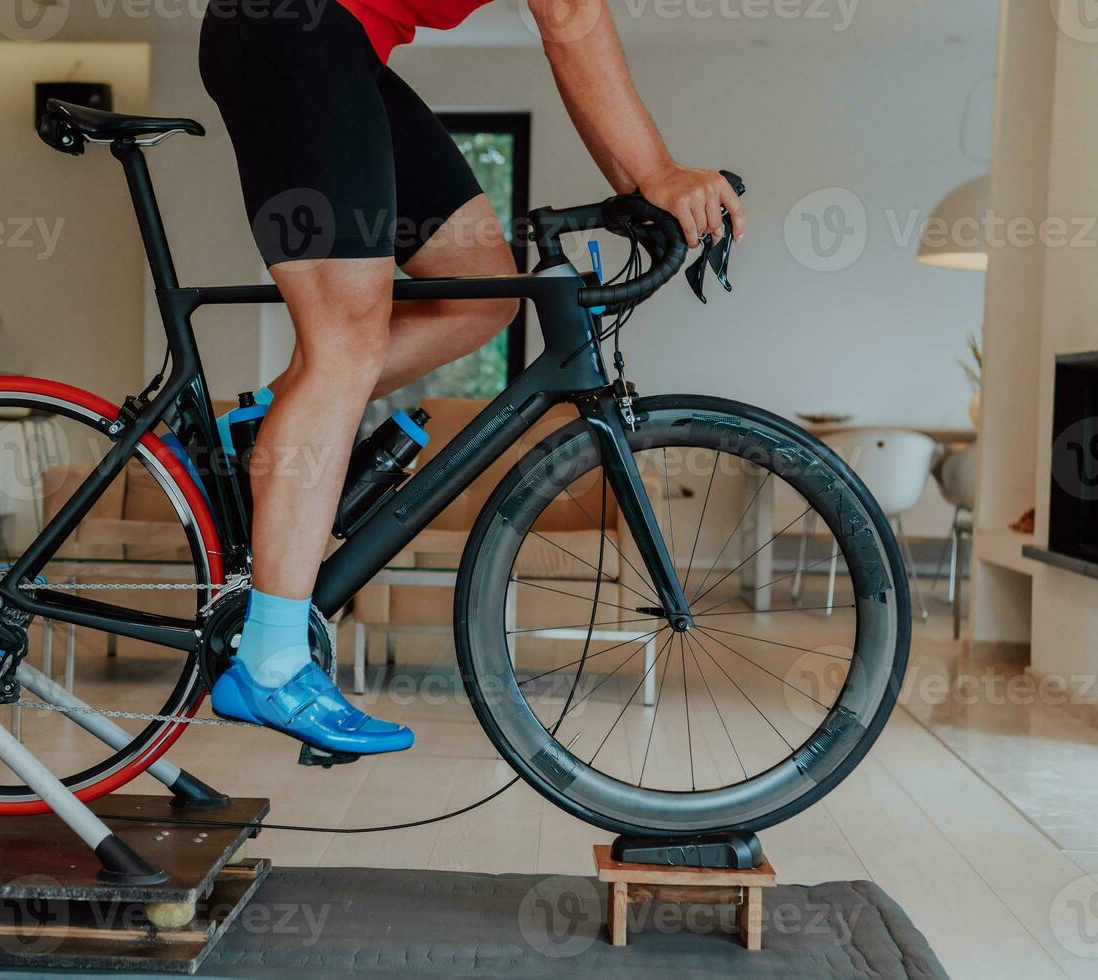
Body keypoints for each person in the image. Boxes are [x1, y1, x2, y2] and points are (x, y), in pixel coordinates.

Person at [199, 0, 746, 755]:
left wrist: (647, 182)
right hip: (293, 28)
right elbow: (571, 20)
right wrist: (655, 173)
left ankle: (274, 425)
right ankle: (272, 659)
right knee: (346, 343)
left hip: (340, 44)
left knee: (481, 291)